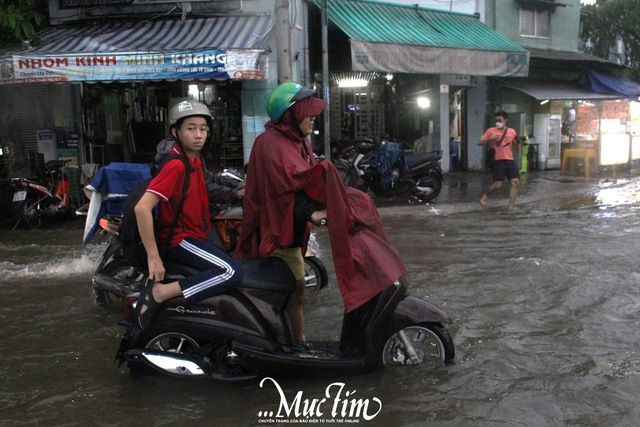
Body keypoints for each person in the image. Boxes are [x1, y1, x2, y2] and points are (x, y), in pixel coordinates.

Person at [134, 100, 243, 330]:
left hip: (197, 233)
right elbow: (142, 208)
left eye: (203, 129)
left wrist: (236, 192)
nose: (198, 135)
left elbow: (210, 185)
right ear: (176, 132)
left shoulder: (193, 159)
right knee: (230, 271)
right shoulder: (176, 165)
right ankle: (161, 292)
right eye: (191, 128)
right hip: (180, 240)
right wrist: (153, 256)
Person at [235, 83, 327, 345]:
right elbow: (285, 192)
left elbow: (306, 181)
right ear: (290, 115)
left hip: (291, 229)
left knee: (294, 291)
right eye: (306, 112)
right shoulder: (273, 144)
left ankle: (294, 341)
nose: (312, 117)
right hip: (276, 230)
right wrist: (314, 212)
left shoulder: (296, 142)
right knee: (289, 290)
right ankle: (286, 344)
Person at [478, 110, 522, 209]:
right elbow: (480, 142)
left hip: (510, 160)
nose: (498, 122)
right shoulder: (491, 131)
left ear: (505, 120)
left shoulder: (512, 131)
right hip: (497, 160)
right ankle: (485, 196)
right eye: (496, 120)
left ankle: (511, 206)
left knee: (516, 182)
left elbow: (516, 148)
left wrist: (518, 142)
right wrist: (490, 139)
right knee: (498, 184)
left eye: (500, 120)